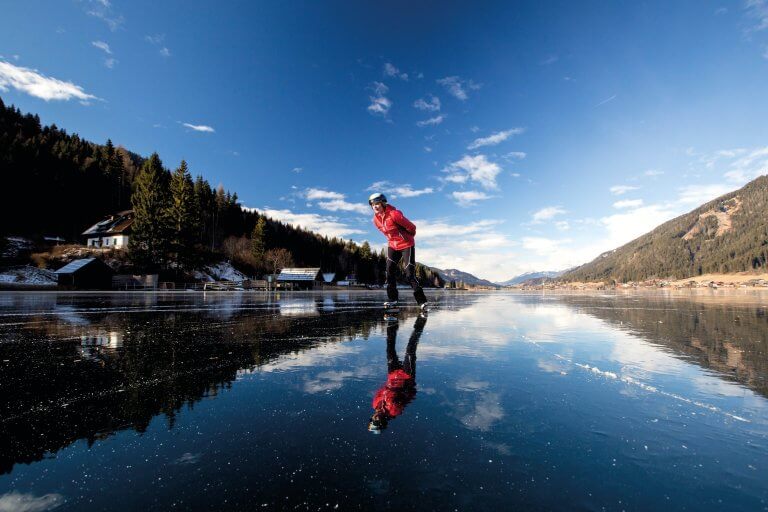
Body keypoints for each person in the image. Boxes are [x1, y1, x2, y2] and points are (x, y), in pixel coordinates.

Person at [368, 192, 428, 311]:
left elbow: (412, 227)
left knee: (409, 273)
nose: (375, 206)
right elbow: (386, 233)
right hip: (393, 246)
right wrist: (392, 240)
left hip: (406, 244)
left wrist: (408, 237)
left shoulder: (394, 214)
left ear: (383, 203)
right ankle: (393, 299)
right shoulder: (375, 220)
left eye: (377, 203)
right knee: (389, 271)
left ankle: (422, 301)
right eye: (372, 204)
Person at [368, 315, 427, 433]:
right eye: (377, 421)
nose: (375, 418)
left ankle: (392, 323)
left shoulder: (375, 404)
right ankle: (420, 324)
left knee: (390, 350)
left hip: (392, 376)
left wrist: (389, 382)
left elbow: (382, 389)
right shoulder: (394, 410)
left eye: (372, 420)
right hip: (406, 376)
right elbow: (405, 394)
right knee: (410, 351)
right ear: (383, 421)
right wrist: (408, 385)